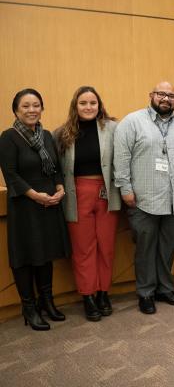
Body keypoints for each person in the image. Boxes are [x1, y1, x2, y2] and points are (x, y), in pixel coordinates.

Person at [113, 81, 174, 315]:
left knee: (168, 248)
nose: (166, 99)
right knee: (145, 248)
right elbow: (120, 160)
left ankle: (165, 288)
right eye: (161, 94)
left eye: (171, 95)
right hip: (143, 200)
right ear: (151, 95)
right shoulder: (132, 122)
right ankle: (145, 292)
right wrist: (126, 190)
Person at [0, 88, 71, 330]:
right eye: (26, 106)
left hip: (49, 202)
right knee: (25, 257)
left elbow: (56, 168)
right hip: (24, 204)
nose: (32, 110)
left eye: (36, 105)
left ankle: (47, 302)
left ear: (42, 108)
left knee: (45, 254)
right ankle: (28, 308)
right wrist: (35, 196)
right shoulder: (8, 137)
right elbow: (10, 175)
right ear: (16, 111)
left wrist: (60, 188)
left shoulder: (47, 135)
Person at [53, 86, 120, 322]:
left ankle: (103, 293)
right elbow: (55, 169)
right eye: (83, 103)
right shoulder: (62, 133)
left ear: (99, 105)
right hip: (77, 194)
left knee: (106, 246)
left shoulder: (113, 128)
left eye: (93, 103)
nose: (89, 107)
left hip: (107, 193)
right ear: (75, 106)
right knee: (84, 249)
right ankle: (88, 296)